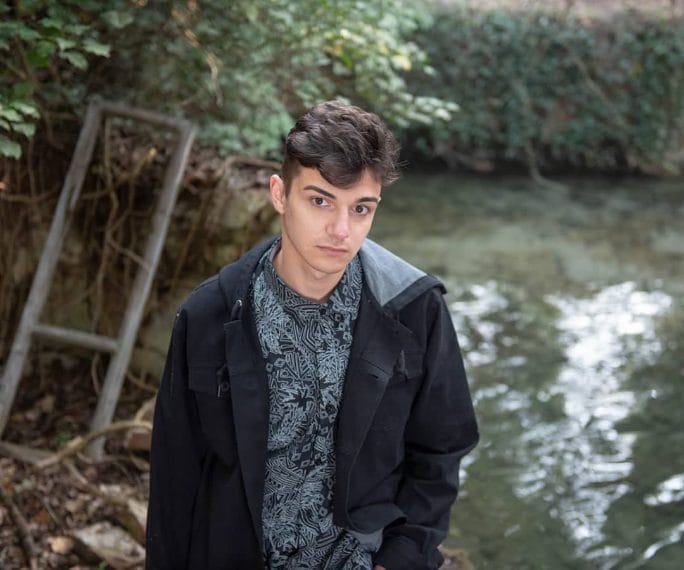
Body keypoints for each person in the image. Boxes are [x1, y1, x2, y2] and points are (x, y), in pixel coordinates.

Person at [145, 100, 479, 570]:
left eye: (360, 209)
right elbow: (175, 477)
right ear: (280, 194)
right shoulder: (209, 315)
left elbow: (443, 447)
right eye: (320, 201)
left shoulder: (414, 309)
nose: (341, 230)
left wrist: (401, 558)